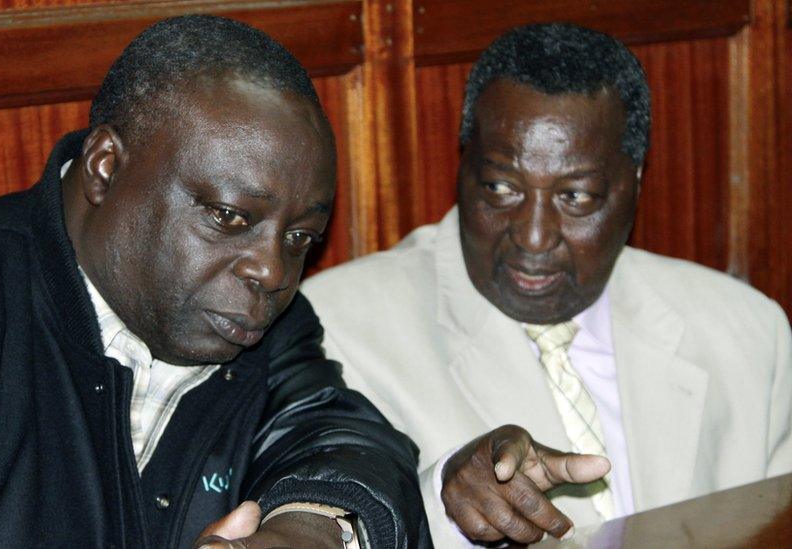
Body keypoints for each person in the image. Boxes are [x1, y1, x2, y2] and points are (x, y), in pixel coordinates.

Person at [0, 15, 430, 548]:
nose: (272, 270)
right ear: (106, 168)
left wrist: (315, 527)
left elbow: (347, 442)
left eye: (300, 238)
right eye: (228, 217)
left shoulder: (267, 330)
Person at [302, 22, 792, 547]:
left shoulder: (746, 332)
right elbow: (319, 526)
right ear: (461, 167)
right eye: (501, 187)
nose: (533, 238)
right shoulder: (332, 332)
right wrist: (443, 500)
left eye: (576, 197)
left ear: (636, 183)